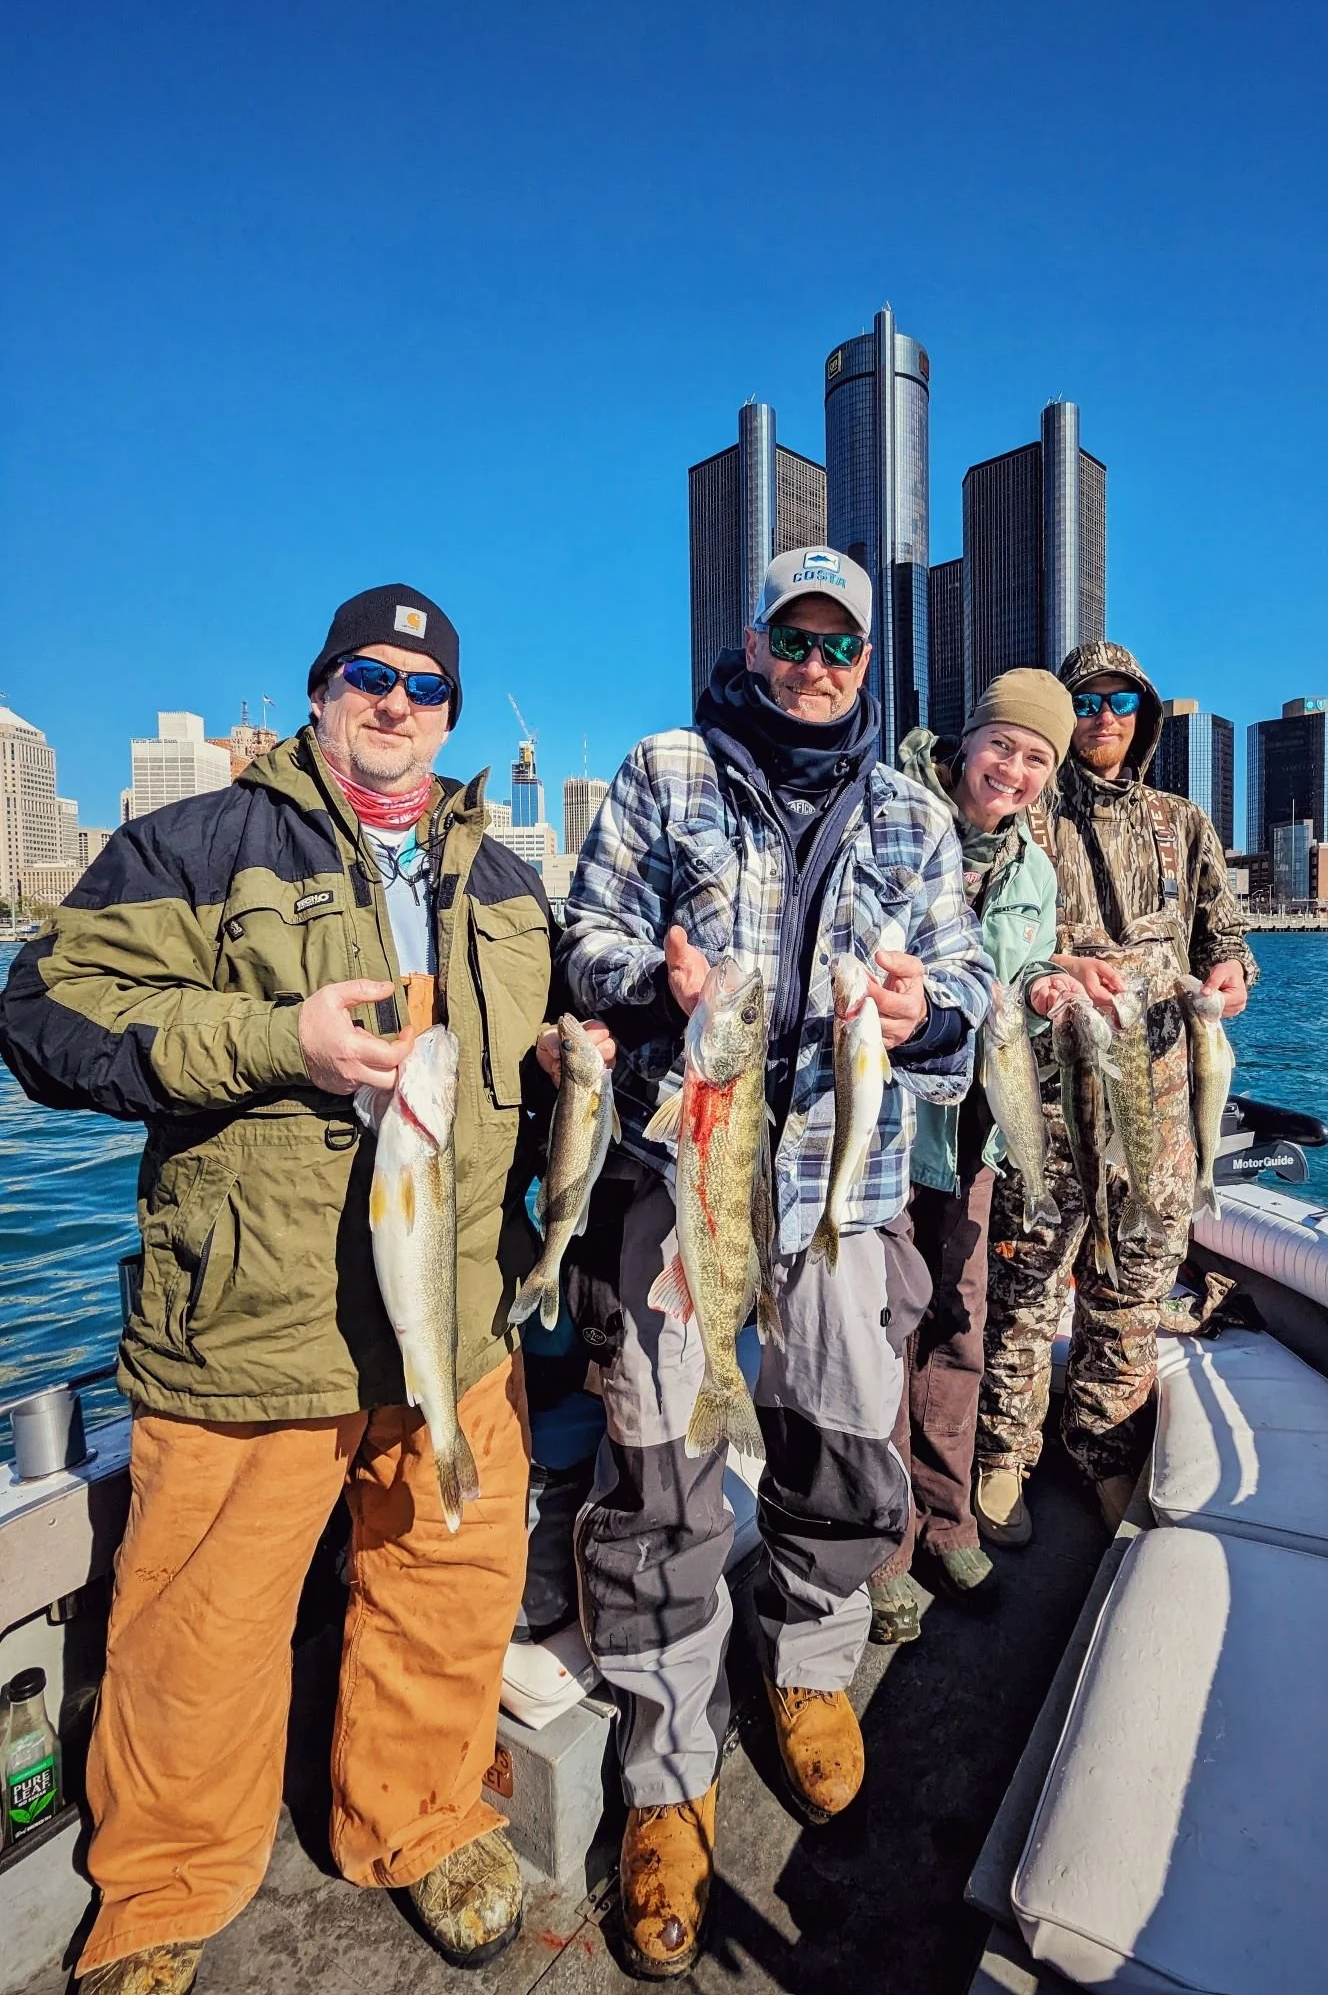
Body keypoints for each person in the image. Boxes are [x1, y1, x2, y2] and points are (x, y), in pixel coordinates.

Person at [0, 586, 553, 1994]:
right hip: (251, 1331)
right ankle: (164, 1897)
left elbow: (528, 1088)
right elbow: (47, 1019)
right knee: (201, 1632)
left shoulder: (503, 881)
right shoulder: (194, 844)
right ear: (319, 694)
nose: (393, 704)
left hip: (454, 1328)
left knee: (448, 1596)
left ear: (450, 718)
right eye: (366, 675)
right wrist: (272, 1039)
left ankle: (417, 1819)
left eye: (423, 689)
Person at [556, 546, 991, 1977]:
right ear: (752, 644)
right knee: (663, 1476)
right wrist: (651, 985)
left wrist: (927, 1012)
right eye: (793, 642)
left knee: (852, 1444)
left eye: (841, 649)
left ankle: (808, 1662)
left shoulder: (916, 816)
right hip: (681, 1184)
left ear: (869, 665)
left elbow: (971, 1000)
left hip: (846, 1192)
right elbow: (591, 936)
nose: (816, 668)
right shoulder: (665, 767)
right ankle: (666, 1775)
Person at [974, 640, 1257, 1543]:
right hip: (1052, 1090)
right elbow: (990, 917)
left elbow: (1226, 930)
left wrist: (1230, 970)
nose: (1103, 716)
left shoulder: (1185, 821)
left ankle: (1103, 1443)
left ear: (1144, 716)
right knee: (1025, 1277)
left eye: (1120, 702)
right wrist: (1058, 970)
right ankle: (1002, 1452)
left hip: (1164, 1090)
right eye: (1085, 701)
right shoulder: (1029, 808)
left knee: (1134, 1279)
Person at [868, 669, 1081, 1643]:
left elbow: (1016, 972)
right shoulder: (888, 817)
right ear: (968, 741)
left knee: (959, 1325)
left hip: (972, 1139)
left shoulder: (1036, 871)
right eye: (1005, 745)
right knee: (876, 1337)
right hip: (877, 1129)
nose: (1017, 769)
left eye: (1038, 758)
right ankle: (879, 1552)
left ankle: (946, 1519)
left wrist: (1044, 987)